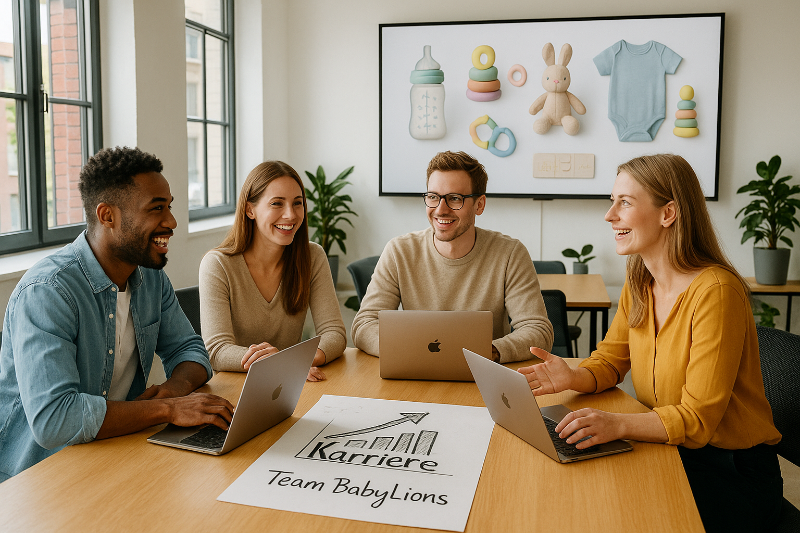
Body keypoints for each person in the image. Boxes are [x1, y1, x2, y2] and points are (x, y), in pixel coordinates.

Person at [519, 154, 782, 532]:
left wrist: (618, 424)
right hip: (672, 447)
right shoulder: (642, 281)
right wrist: (573, 377)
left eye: (624, 202)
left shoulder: (716, 292)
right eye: (613, 202)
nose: (610, 215)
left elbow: (696, 420)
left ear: (668, 213)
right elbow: (611, 361)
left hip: (730, 471)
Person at [0, 147, 234, 482]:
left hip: (116, 453)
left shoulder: (151, 278)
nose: (171, 221)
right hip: (39, 477)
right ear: (107, 216)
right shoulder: (47, 292)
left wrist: (173, 389)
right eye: (157, 209)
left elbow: (191, 351)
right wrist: (167, 409)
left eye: (169, 206)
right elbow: (54, 420)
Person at [352, 151, 553, 363]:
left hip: (482, 374)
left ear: (480, 205)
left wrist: (489, 352)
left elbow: (537, 330)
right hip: (416, 373)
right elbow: (365, 324)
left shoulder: (509, 254)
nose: (440, 209)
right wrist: (411, 351)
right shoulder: (399, 251)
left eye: (455, 199)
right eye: (433, 197)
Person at [199, 161, 346, 381]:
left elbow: (334, 333)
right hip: (235, 389)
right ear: (250, 210)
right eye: (277, 203)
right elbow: (217, 351)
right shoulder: (217, 264)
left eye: (298, 203)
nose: (290, 215)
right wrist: (279, 363)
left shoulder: (313, 256)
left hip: (290, 386)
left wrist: (296, 362)